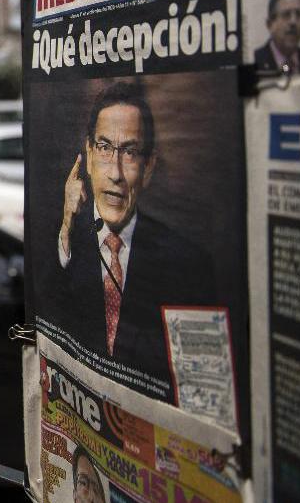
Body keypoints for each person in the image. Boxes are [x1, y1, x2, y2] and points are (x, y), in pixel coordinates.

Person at [48, 82, 213, 402]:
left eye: (130, 152)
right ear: (89, 155)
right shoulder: (63, 239)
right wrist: (68, 223)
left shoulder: (189, 263)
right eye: (105, 147)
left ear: (148, 168)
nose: (116, 173)